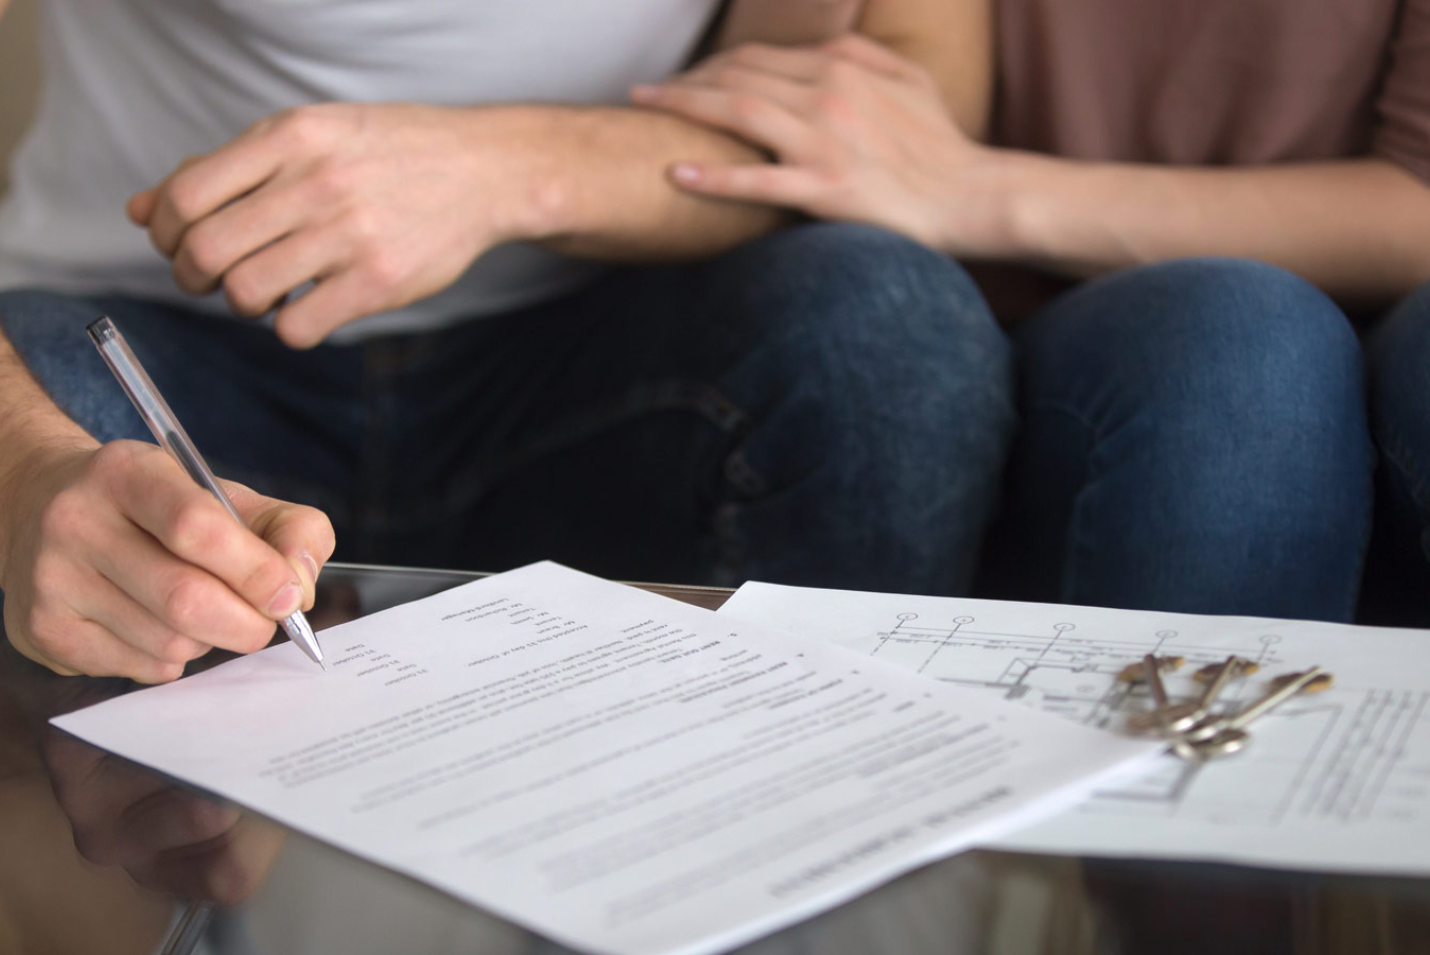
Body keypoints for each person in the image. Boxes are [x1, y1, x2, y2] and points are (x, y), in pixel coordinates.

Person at [0, 0, 1019, 684]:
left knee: (887, 326)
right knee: (73, 519)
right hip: (147, 353)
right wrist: (19, 471)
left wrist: (512, 170)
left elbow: (900, 113)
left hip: (609, 359)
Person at [634, 1, 1430, 622]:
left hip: (1359, 337)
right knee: (1239, 342)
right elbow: (827, 88)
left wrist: (972, 189)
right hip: (1018, 328)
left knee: (1244, 342)